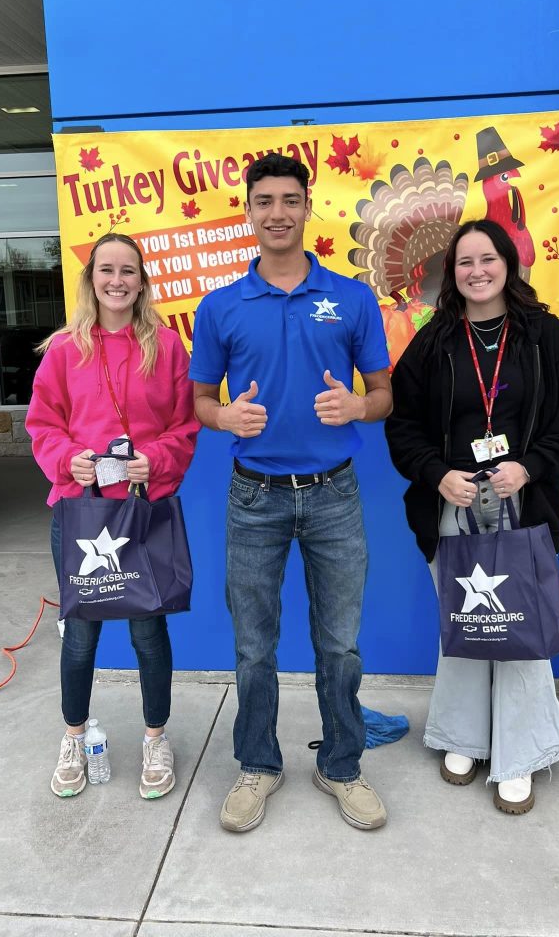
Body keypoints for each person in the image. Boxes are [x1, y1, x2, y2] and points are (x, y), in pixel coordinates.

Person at [190, 153, 392, 832]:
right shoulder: (221, 307)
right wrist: (224, 417)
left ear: (309, 208)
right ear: (248, 212)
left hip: (335, 496)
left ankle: (341, 765)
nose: (277, 212)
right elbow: (197, 401)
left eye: (289, 199)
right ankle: (258, 765)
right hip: (255, 499)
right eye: (263, 201)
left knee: (340, 645)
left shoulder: (352, 298)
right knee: (254, 647)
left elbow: (384, 394)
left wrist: (358, 408)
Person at [384, 218, 559, 814]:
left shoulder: (545, 337)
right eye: (464, 262)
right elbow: (404, 425)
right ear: (451, 275)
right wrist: (435, 473)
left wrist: (530, 467)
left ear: (508, 263)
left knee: (519, 630)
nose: (477, 271)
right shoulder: (434, 341)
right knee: (466, 623)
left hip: (523, 505)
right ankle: (463, 736)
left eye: (487, 259)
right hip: (453, 507)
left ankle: (520, 752)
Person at [26, 233, 199, 799]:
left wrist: (157, 460)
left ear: (142, 280)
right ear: (91, 278)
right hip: (80, 515)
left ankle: (155, 736)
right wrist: (64, 459)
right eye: (107, 269)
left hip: (141, 513)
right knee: (80, 636)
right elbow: (42, 425)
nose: (117, 280)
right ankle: (73, 736)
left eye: (128, 270)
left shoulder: (168, 347)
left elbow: (184, 428)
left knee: (149, 631)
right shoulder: (63, 350)